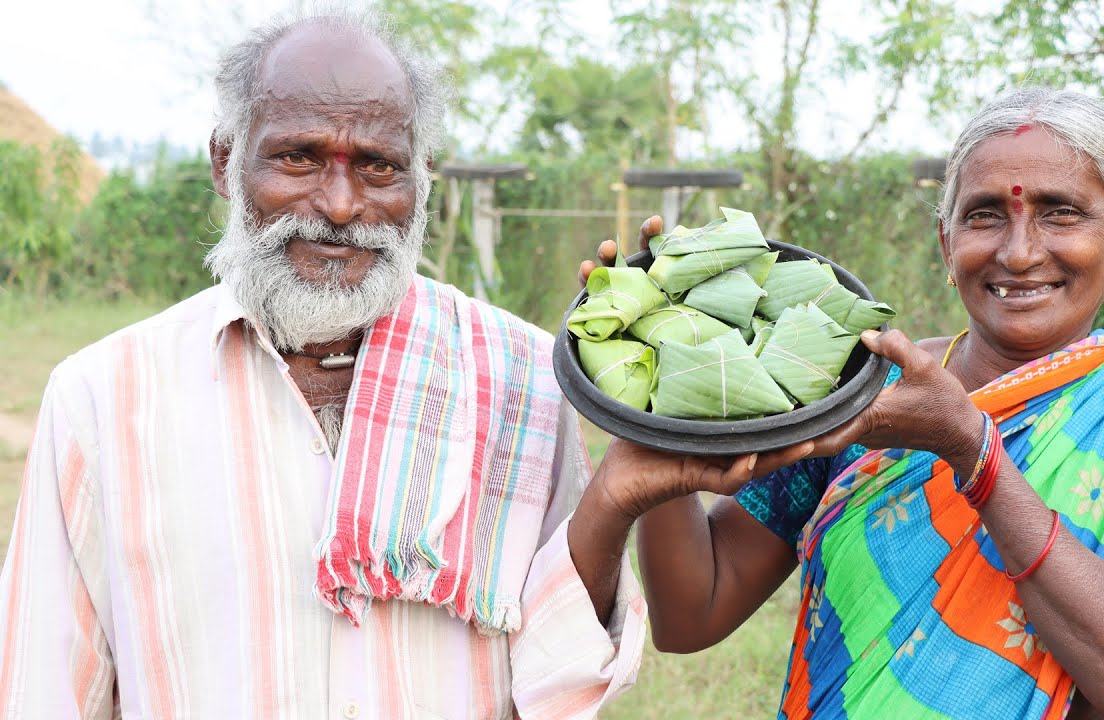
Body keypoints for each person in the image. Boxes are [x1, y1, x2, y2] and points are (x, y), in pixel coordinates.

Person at [0, 12, 651, 718]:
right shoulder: (103, 399)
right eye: (299, 158)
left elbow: (561, 675)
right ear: (226, 162)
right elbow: (46, 689)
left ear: (422, 178)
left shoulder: (527, 378)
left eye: (378, 166)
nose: (341, 206)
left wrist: (615, 498)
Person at [583, 88, 1104, 718]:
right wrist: (661, 399)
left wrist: (973, 451)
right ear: (947, 245)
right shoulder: (860, 388)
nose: (1019, 251)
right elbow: (692, 613)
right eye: (984, 217)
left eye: (1060, 213)